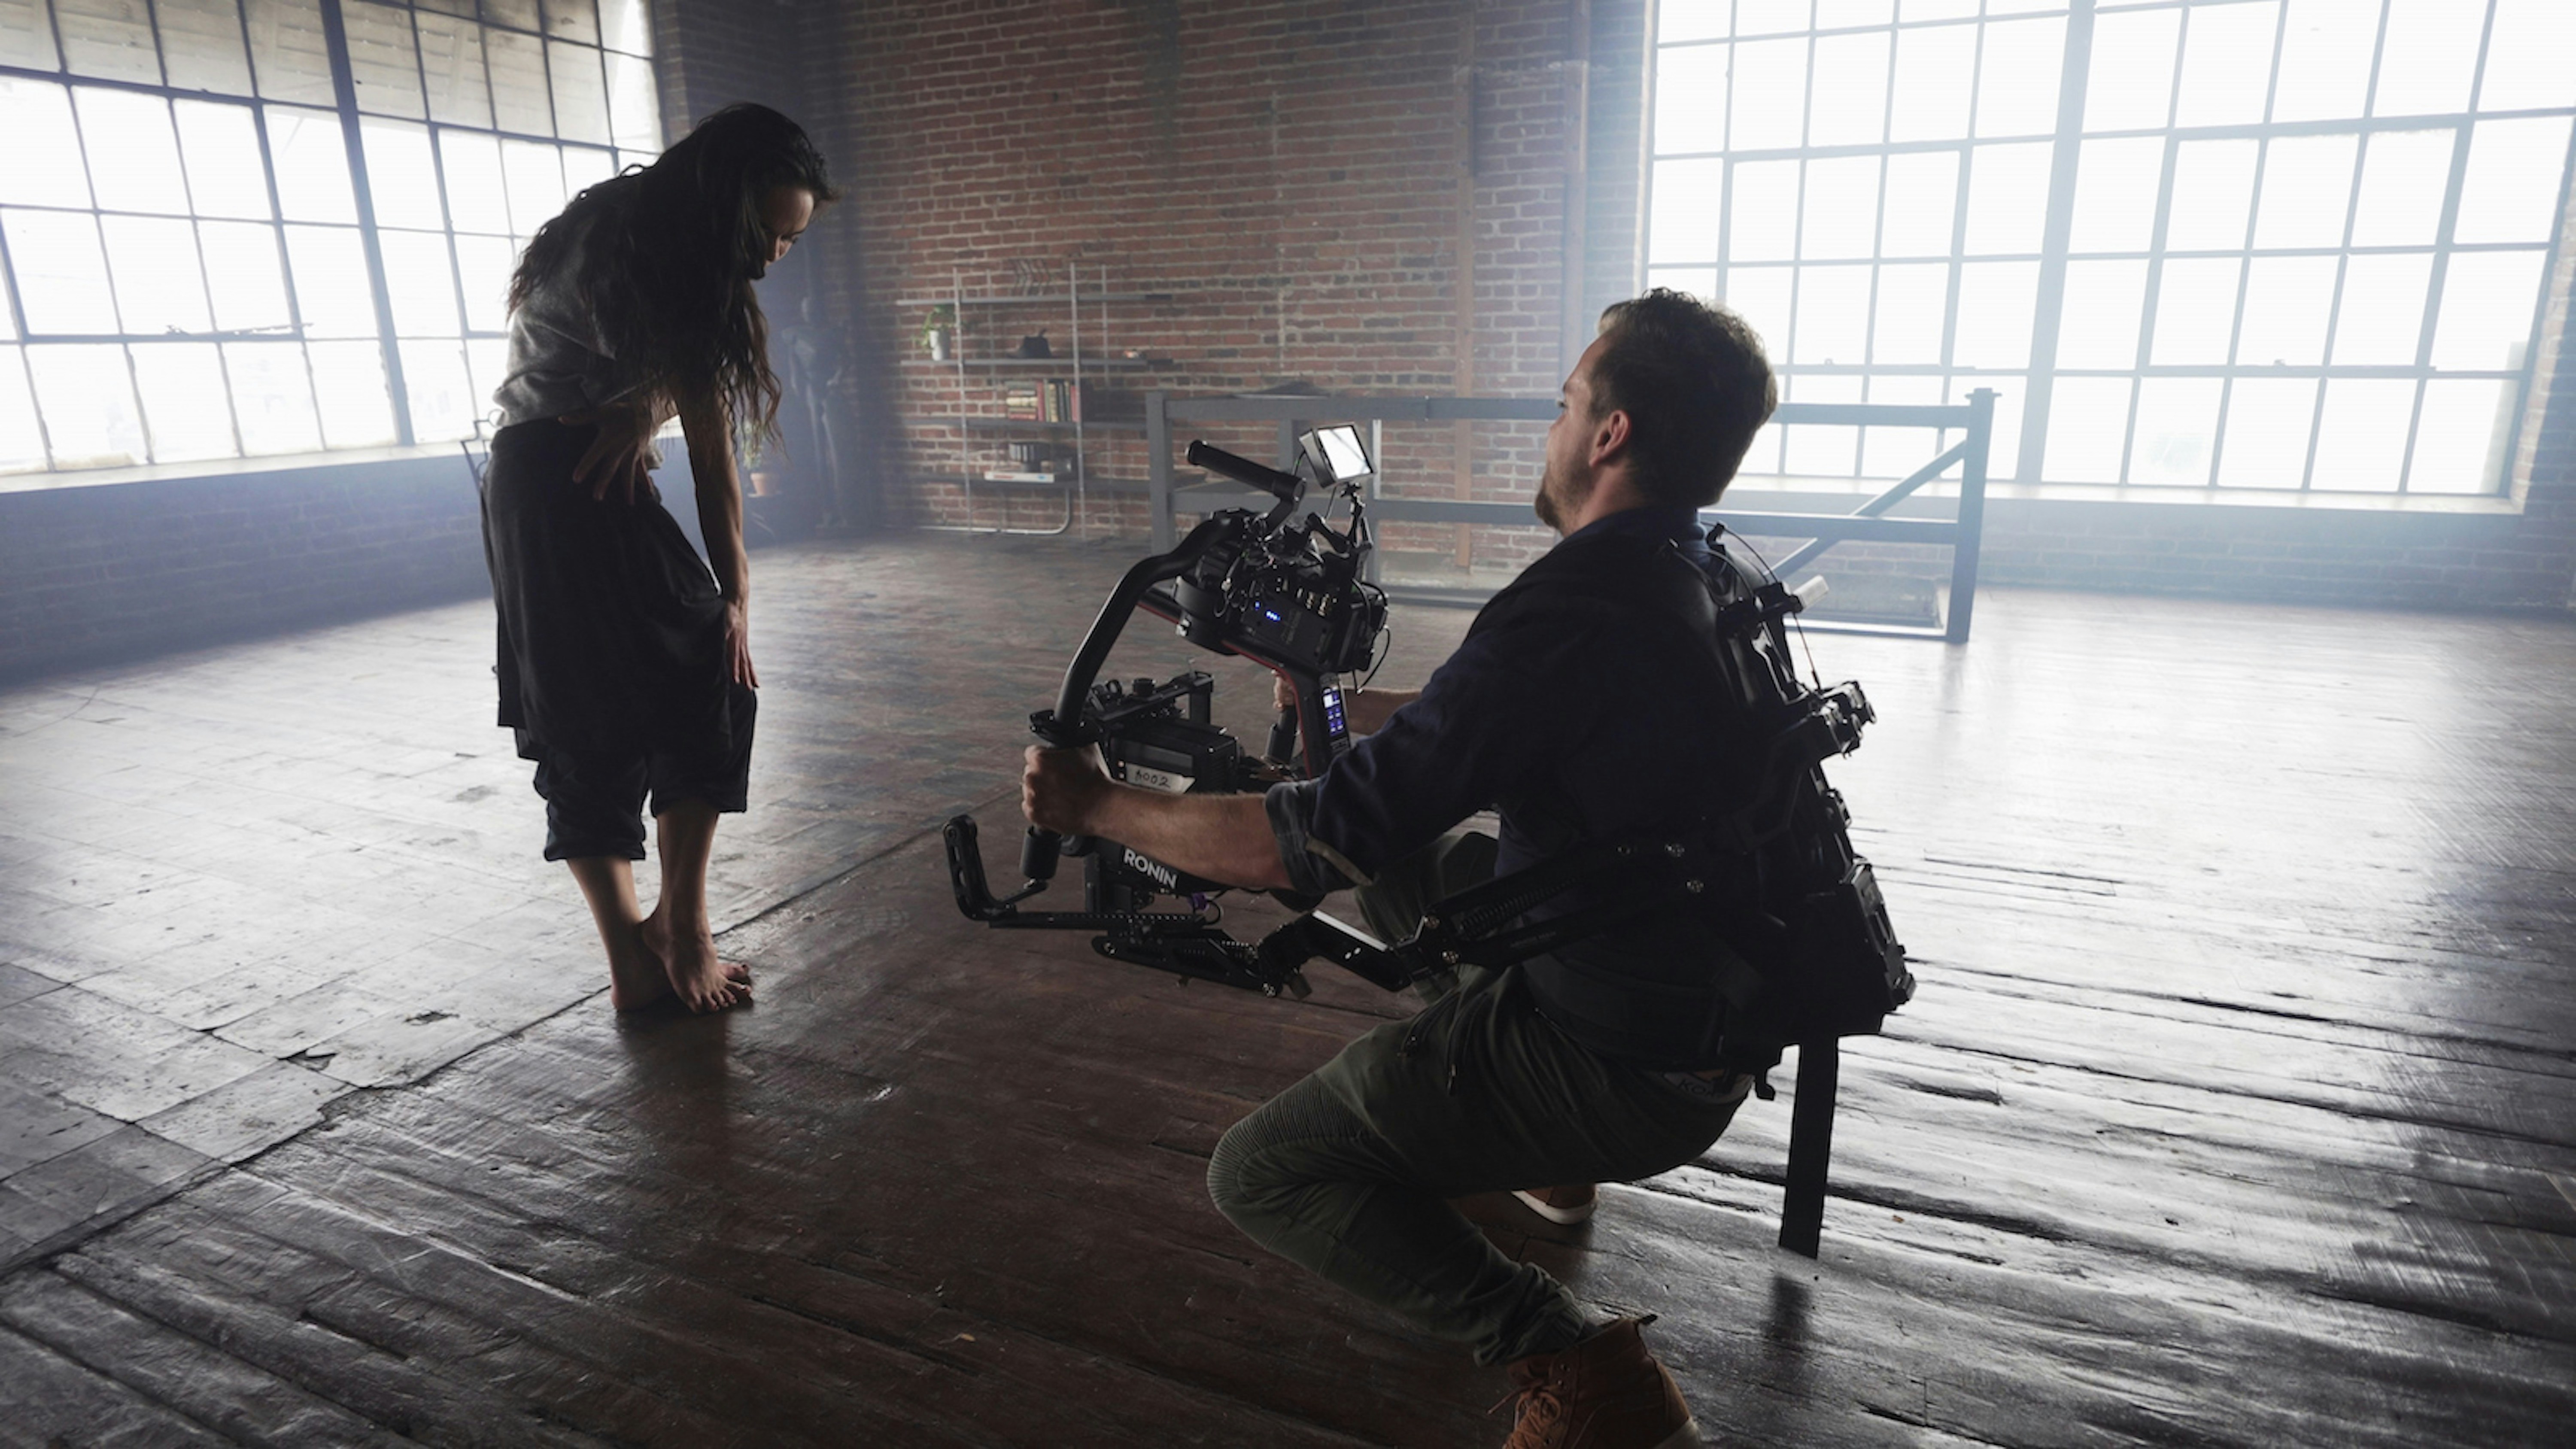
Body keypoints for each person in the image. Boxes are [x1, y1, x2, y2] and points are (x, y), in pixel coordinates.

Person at [1020, 289, 1778, 1449]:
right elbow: (1521, 716)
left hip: (1624, 1056)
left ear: (1610, 433)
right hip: (1697, 996)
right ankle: (1550, 1166)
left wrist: (1099, 805)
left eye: (1567, 402)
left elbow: (1299, 850)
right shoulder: (1698, 570)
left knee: (1265, 1172)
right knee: (1419, 856)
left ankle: (1583, 1366)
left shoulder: (1571, 605)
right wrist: (1356, 710)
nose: (1555, 426)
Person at [478, 104, 835, 1014]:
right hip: (558, 476)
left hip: (558, 475)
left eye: (791, 241)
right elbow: (696, 422)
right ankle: (665, 940)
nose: (772, 257)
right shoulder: (627, 240)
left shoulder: (679, 253)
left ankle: (655, 948)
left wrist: (737, 597)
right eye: (766, 232)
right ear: (722, 203)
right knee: (591, 714)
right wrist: (649, 410)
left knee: (685, 673)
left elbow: (709, 449)